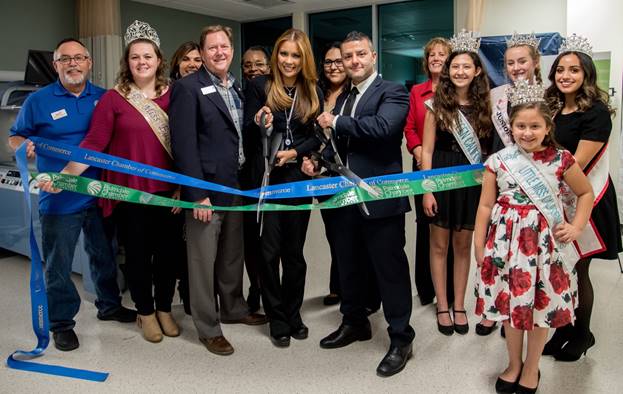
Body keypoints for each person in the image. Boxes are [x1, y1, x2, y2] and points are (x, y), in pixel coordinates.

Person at [52, 21, 182, 344]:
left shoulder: (175, 95)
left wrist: (184, 186)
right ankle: (146, 312)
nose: (141, 62)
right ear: (127, 62)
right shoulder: (114, 99)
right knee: (137, 257)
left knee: (168, 255)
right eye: (135, 57)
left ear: (158, 59)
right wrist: (66, 175)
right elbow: (95, 144)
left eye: (147, 56)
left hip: (169, 193)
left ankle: (165, 308)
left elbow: (186, 144)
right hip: (130, 194)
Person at [8, 38, 136, 352]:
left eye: (79, 58)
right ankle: (62, 324)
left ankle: (109, 305)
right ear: (56, 66)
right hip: (59, 197)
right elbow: (15, 137)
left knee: (103, 255)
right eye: (65, 59)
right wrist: (23, 148)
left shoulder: (105, 97)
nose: (73, 64)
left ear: (89, 62)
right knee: (58, 264)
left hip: (100, 194)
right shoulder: (38, 100)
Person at [473, 80, 594, 393]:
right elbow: (485, 206)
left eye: (534, 126)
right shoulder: (499, 161)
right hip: (505, 246)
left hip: (544, 246)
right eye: (520, 126)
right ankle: (513, 364)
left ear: (547, 126)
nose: (527, 132)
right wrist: (479, 246)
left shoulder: (561, 160)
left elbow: (585, 192)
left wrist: (578, 226)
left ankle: (532, 367)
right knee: (512, 308)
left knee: (539, 307)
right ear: (511, 126)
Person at [305, 31, 413, 377]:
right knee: (347, 264)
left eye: (360, 54)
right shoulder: (344, 97)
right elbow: (337, 145)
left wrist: (335, 120)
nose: (353, 61)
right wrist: (317, 161)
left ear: (373, 56)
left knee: (389, 269)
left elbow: (382, 128)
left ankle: (400, 338)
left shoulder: (392, 91)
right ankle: (354, 322)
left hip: (380, 199)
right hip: (343, 199)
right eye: (348, 56)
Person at [169, 25, 267, 356]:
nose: (219, 52)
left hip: (235, 184)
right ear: (203, 52)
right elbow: (183, 146)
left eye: (225, 46)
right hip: (206, 188)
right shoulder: (187, 88)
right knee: (202, 260)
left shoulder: (238, 88)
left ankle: (234, 307)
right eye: (212, 48)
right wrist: (197, 193)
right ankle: (208, 327)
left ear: (232, 50)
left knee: (231, 256)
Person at [542, 34, 622, 362]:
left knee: (579, 268)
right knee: (560, 269)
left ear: (586, 74)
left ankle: (582, 334)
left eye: (573, 70)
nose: (565, 75)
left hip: (585, 199)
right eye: (560, 69)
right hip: (554, 196)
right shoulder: (552, 108)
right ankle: (564, 326)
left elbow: (577, 164)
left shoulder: (597, 112)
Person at [244, 28, 322, 348]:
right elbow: (248, 131)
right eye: (284, 54)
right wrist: (258, 121)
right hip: (268, 179)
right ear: (276, 56)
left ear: (304, 59)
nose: (288, 61)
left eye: (295, 55)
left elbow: (316, 136)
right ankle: (276, 316)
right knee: (267, 251)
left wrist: (296, 152)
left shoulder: (311, 91)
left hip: (297, 180)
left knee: (294, 253)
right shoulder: (259, 86)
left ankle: (293, 313)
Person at [421, 30, 492, 336]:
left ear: (476, 71)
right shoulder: (436, 104)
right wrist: (427, 189)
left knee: (463, 245)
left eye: (466, 66)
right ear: (447, 71)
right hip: (441, 175)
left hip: (471, 181)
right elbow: (425, 149)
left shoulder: (487, 106)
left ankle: (459, 304)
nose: (460, 71)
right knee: (439, 245)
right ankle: (441, 305)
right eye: (455, 66)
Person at [478, 32, 544, 336]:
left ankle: (522, 308)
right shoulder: (498, 96)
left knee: (528, 255)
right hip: (504, 180)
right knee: (499, 249)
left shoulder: (549, 94)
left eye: (522, 61)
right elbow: (494, 140)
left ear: (534, 62)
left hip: (536, 183)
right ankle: (494, 309)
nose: (516, 67)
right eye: (510, 63)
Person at [403, 37, 455, 308]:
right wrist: (417, 151)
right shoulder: (417, 92)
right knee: (425, 225)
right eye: (432, 54)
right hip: (422, 164)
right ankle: (425, 288)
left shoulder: (457, 90)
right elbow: (410, 127)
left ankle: (447, 290)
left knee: (448, 226)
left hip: (449, 166)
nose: (436, 58)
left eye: (442, 54)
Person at [168, 40, 203, 316]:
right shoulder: (168, 93)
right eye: (186, 59)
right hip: (171, 181)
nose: (192, 64)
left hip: (193, 181)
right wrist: (179, 185)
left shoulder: (204, 91)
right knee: (176, 245)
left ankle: (192, 294)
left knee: (192, 243)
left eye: (197, 59)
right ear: (176, 64)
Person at [240, 45, 271, 313]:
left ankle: (272, 286)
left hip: (270, 171)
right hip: (242, 174)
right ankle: (255, 286)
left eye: (259, 64)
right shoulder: (237, 94)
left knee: (270, 238)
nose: (253, 69)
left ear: (269, 67)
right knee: (250, 237)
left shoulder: (275, 94)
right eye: (247, 65)